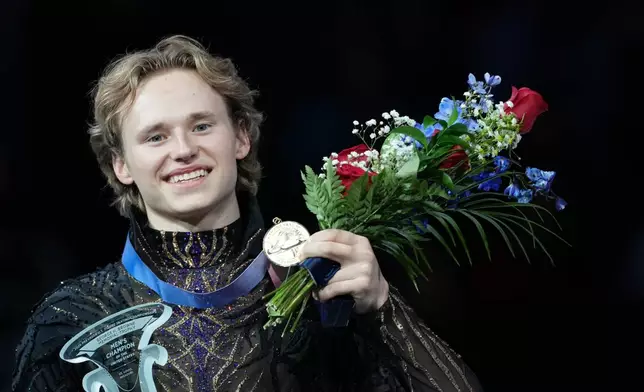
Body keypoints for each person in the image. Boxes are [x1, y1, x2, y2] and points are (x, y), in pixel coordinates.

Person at [12, 35, 483, 392]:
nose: (183, 150)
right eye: (155, 137)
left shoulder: (323, 290)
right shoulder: (72, 318)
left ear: (241, 138)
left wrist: (382, 307)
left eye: (201, 125)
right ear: (121, 165)